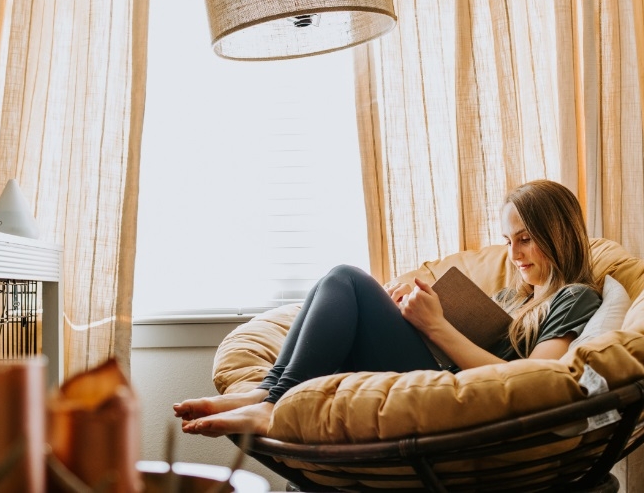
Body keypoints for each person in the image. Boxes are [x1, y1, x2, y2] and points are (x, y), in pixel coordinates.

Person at [173, 179, 602, 437]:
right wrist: (412, 313)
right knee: (333, 284)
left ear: (559, 233)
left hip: (456, 394)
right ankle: (268, 389)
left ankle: (275, 402)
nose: (514, 254)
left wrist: (434, 326)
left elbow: (536, 381)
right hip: (436, 367)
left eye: (525, 239)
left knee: (347, 279)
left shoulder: (574, 297)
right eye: (509, 241)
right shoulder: (516, 297)